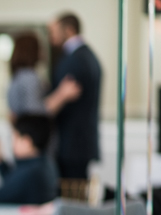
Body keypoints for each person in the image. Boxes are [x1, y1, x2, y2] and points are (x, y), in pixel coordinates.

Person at [47, 13, 102, 179]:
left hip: (72, 144)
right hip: (82, 142)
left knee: (71, 199)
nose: (52, 37)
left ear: (69, 30)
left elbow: (64, 99)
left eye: (54, 32)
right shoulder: (88, 56)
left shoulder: (74, 60)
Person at [0, 115, 59, 205]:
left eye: (15, 138)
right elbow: (11, 180)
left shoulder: (30, 172)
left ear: (26, 142)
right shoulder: (43, 163)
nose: (12, 143)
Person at [8, 33, 82, 122]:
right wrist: (62, 95)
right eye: (39, 47)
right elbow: (35, 114)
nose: (42, 51)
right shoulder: (28, 77)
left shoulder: (19, 75)